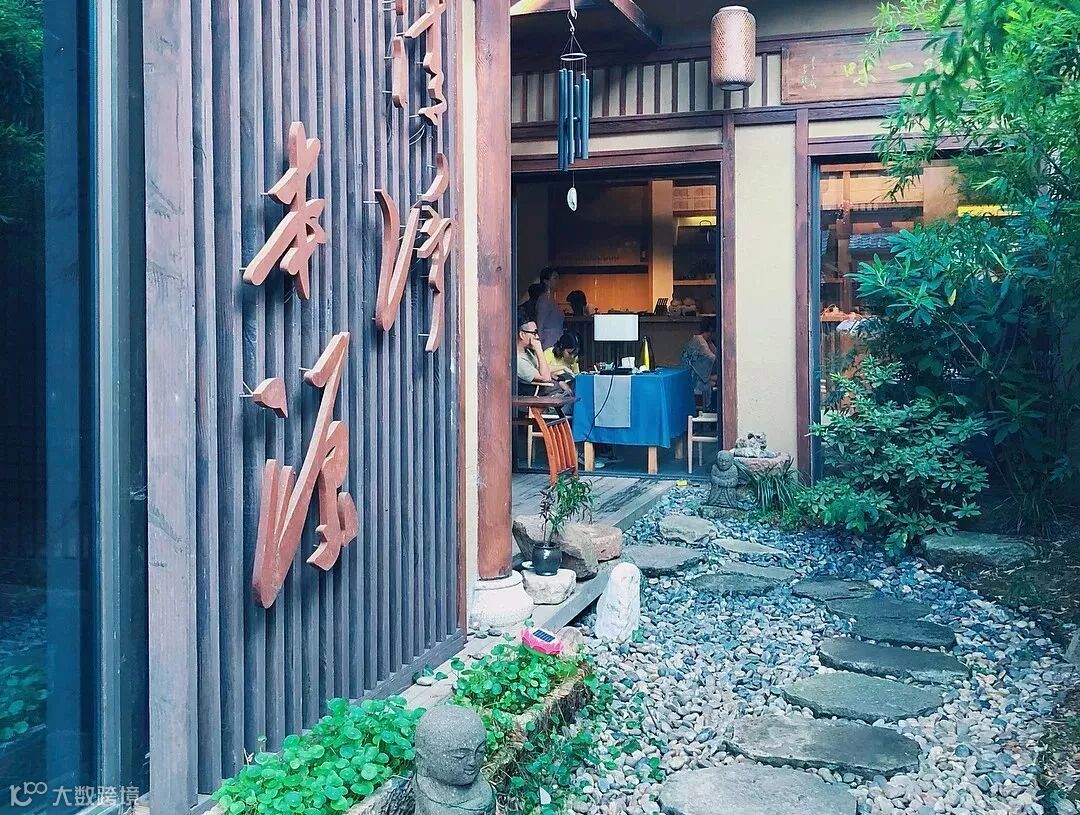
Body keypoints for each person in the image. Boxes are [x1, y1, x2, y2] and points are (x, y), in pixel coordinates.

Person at [681, 318, 718, 403]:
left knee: (716, 379)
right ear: (711, 331)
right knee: (719, 379)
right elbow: (712, 358)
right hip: (693, 378)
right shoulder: (699, 342)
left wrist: (710, 343)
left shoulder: (701, 340)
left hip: (693, 375)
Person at [535, 268, 564, 349]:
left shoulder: (552, 299)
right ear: (546, 281)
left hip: (557, 340)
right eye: (555, 278)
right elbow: (540, 324)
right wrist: (539, 345)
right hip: (548, 341)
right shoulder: (544, 300)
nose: (557, 281)